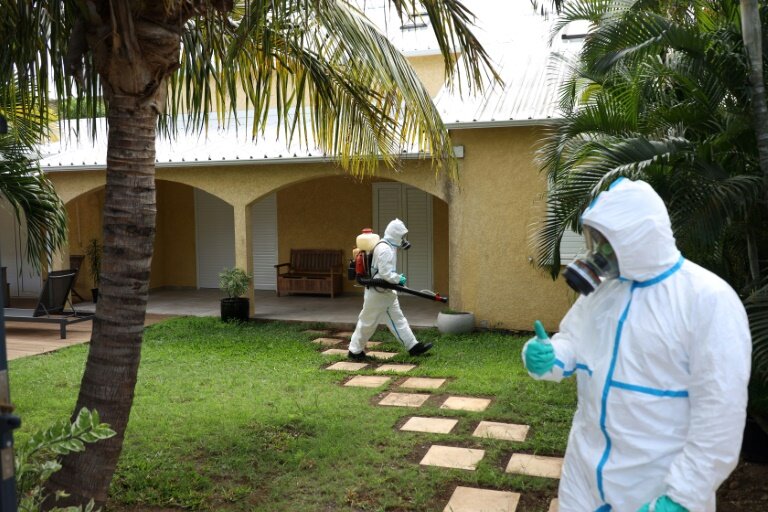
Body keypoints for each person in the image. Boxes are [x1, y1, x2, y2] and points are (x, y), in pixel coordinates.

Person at [522, 178, 751, 512]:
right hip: (583, 475)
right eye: (596, 240)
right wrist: (550, 356)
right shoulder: (604, 291)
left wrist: (683, 498)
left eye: (607, 242)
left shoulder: (707, 299)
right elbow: (573, 342)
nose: (598, 252)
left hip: (653, 485)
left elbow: (720, 414)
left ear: (638, 237)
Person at [348, 218, 432, 359]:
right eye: (402, 236)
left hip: (385, 292)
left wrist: (396, 279)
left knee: (398, 319)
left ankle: (413, 346)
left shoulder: (388, 245)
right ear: (395, 235)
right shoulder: (385, 249)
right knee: (368, 322)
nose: (404, 239)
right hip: (378, 293)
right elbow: (385, 274)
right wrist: (398, 279)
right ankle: (354, 351)